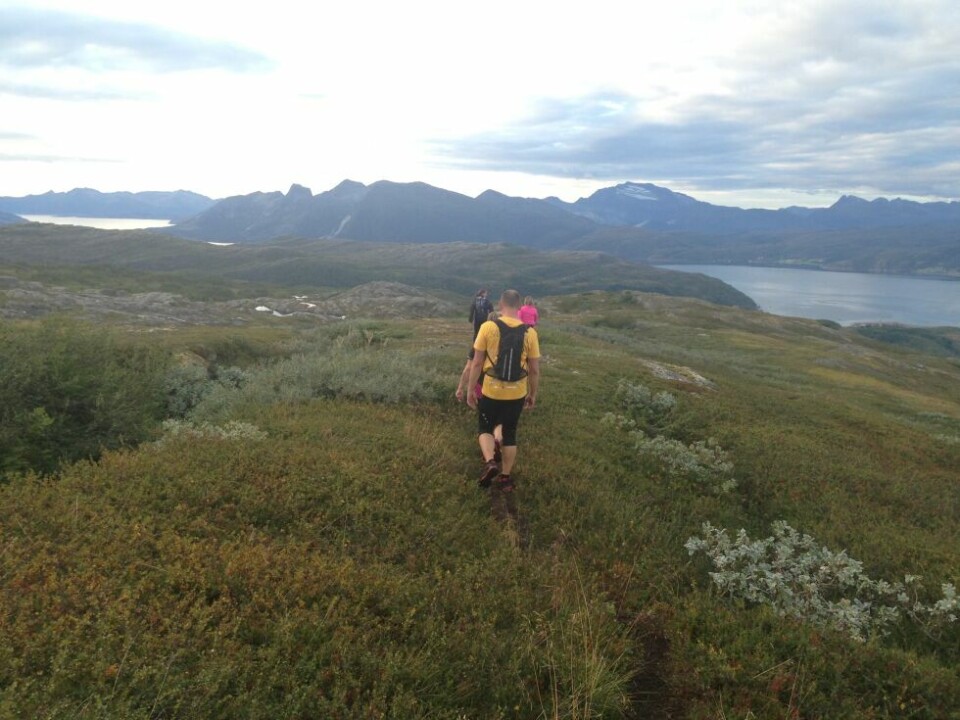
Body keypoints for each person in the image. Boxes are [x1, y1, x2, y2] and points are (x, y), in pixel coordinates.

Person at [467, 289, 540, 492]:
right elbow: (534, 369)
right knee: (510, 433)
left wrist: (470, 389)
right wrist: (532, 394)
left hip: (491, 390)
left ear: (500, 304)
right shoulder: (530, 332)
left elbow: (476, 363)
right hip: (516, 393)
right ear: (519, 306)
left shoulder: (488, 327)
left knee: (485, 427)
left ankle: (490, 461)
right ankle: (505, 478)